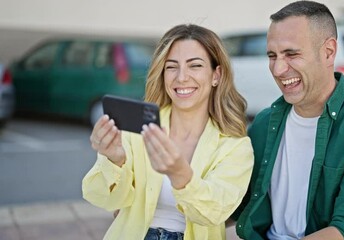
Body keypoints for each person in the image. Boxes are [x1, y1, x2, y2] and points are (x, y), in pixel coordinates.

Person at [231, 1, 344, 239]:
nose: (278, 69)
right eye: (272, 56)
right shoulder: (264, 124)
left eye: (292, 54)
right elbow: (237, 205)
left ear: (328, 52)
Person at [82, 24, 254, 240]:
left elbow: (216, 212)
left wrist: (180, 174)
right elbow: (105, 200)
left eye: (195, 66)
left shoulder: (235, 145)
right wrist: (114, 160)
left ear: (216, 75)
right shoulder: (137, 128)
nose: (181, 77)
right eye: (171, 67)